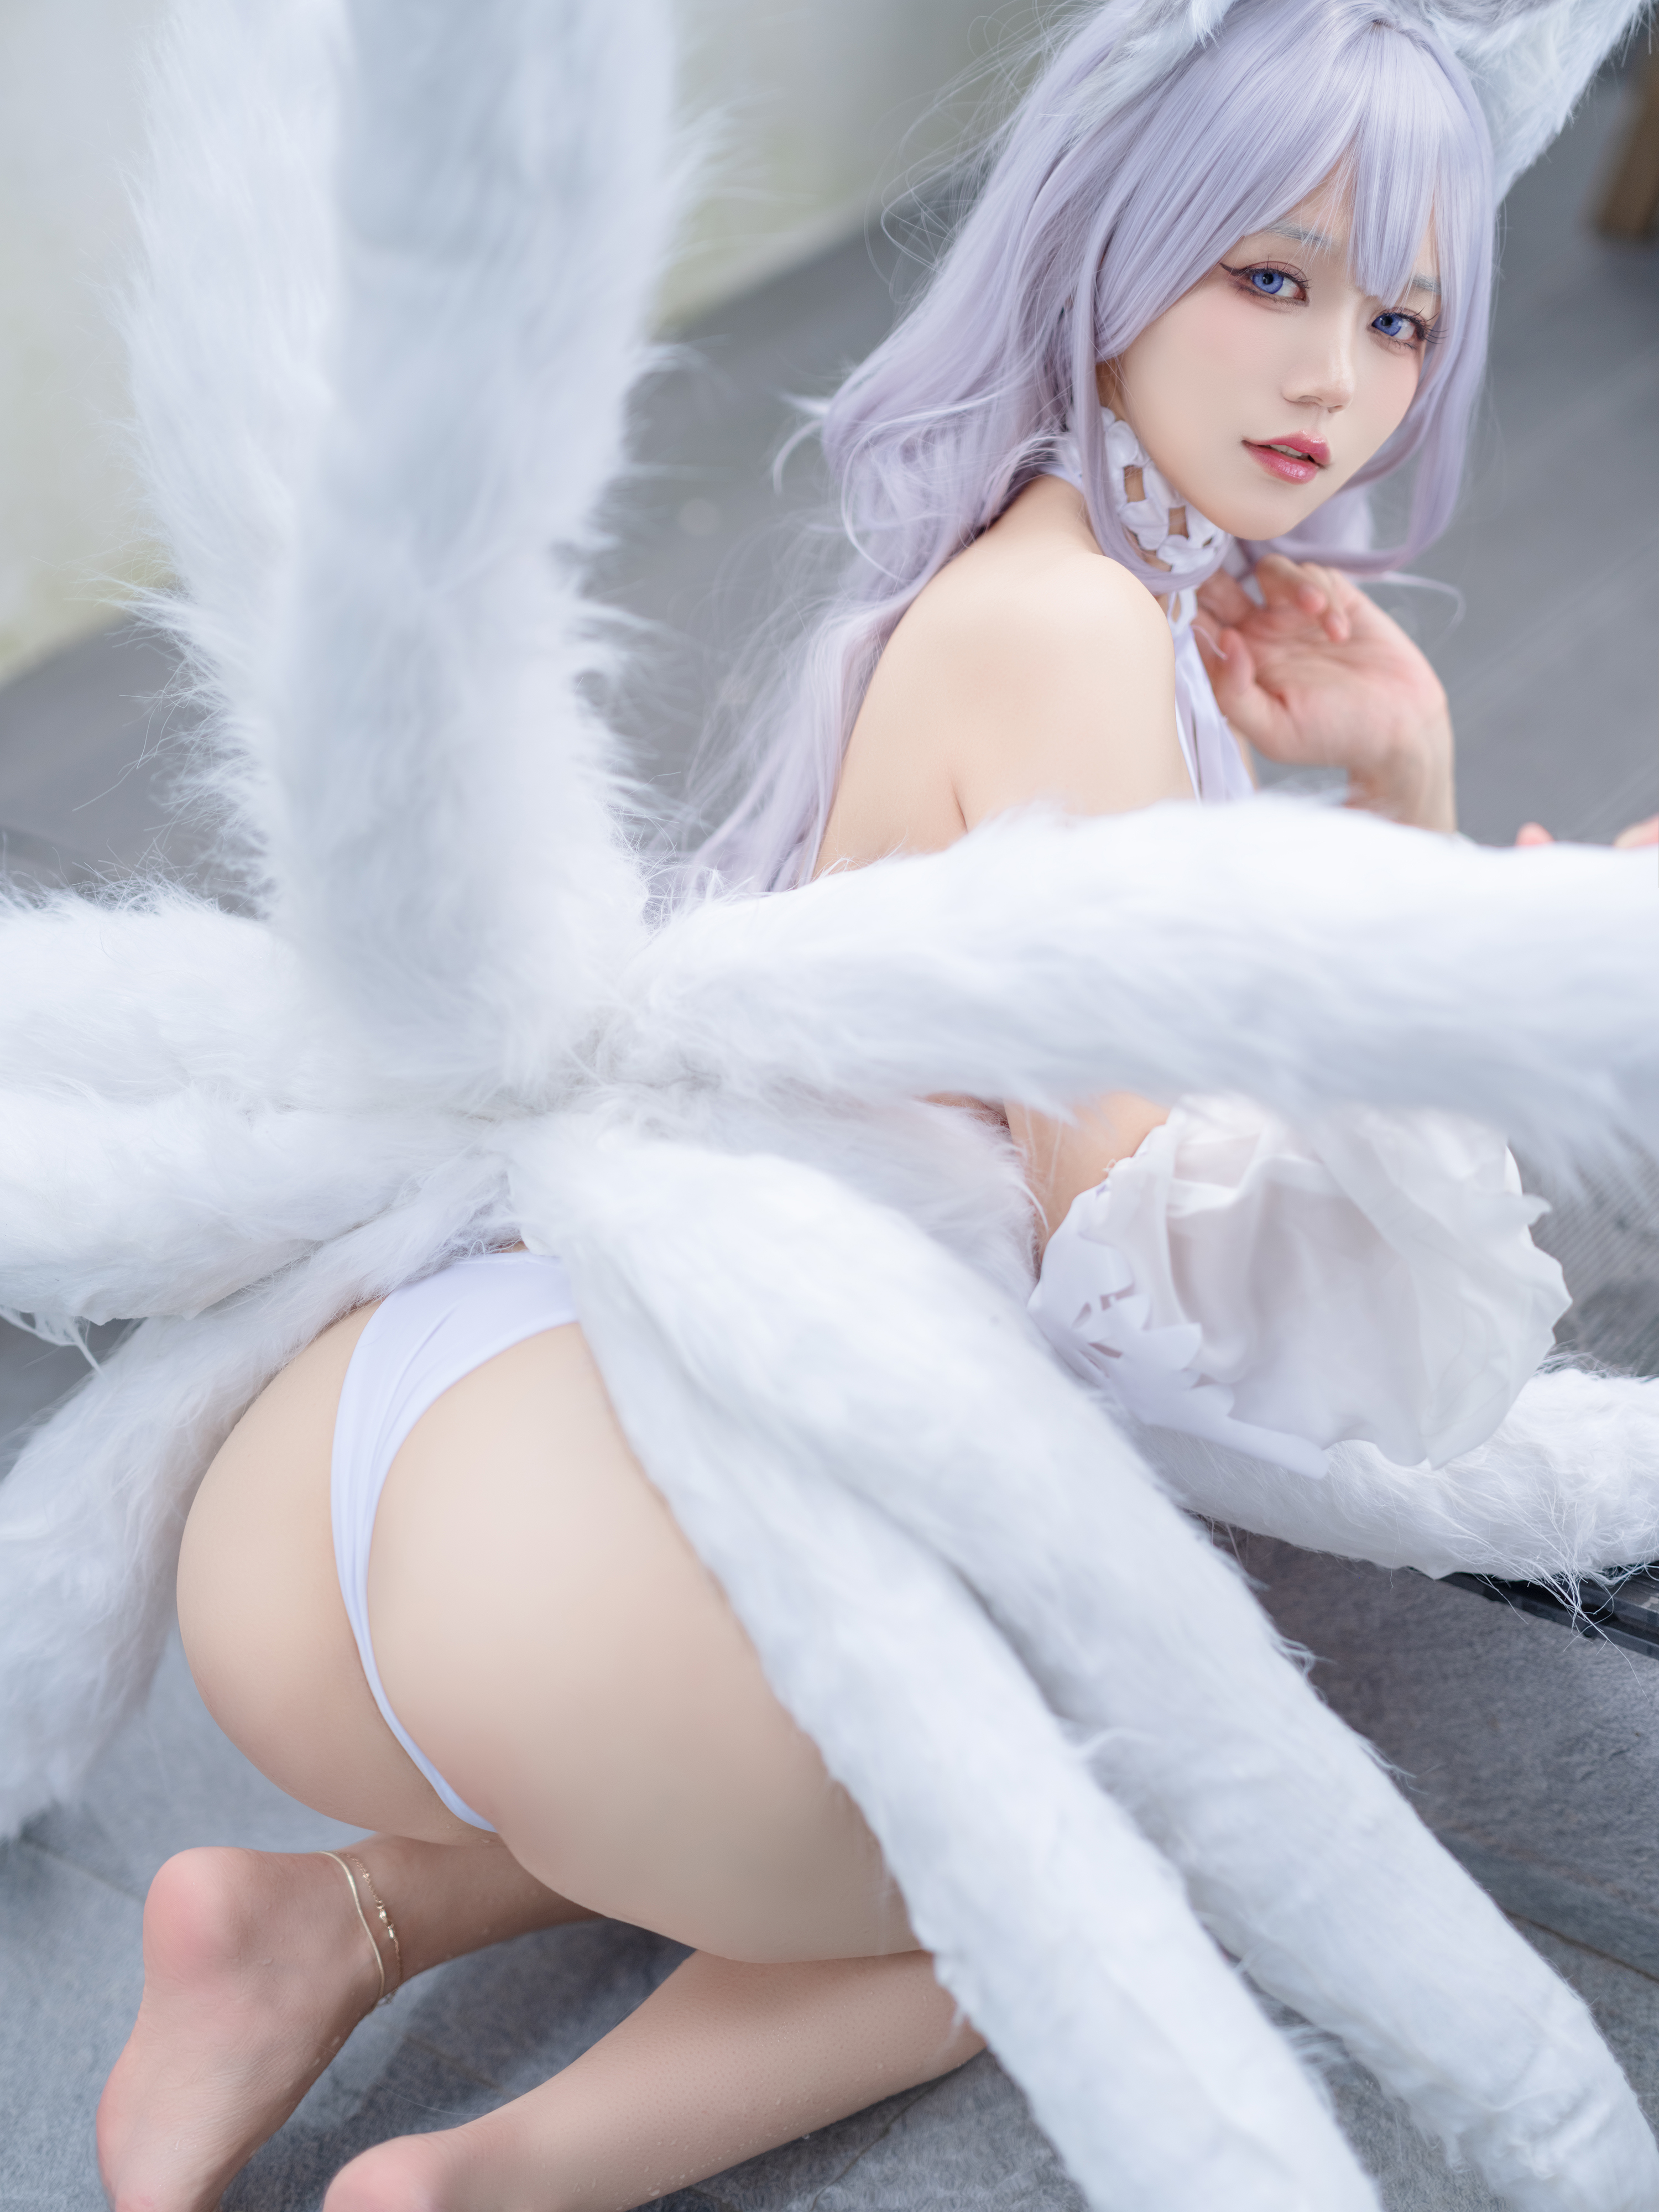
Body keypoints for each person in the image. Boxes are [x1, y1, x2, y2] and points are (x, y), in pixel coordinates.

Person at [48, 1, 1659, 2209]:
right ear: (1115, 245)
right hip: (593, 1538)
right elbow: (1155, 1285)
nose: (1332, 379)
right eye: (1268, 275)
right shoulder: (1082, 638)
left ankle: (322, 1916)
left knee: (785, 1734)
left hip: (367, 1471)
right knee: (1067, 1867)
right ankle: (480, 2179)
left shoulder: (998, 588)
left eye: (1399, 318)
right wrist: (1524, 990)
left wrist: (1402, 783)